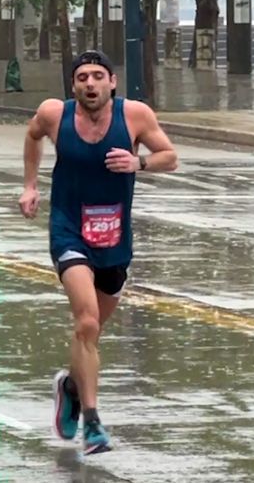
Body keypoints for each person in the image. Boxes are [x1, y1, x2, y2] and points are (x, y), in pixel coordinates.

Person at [18, 50, 178, 455]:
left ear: (112, 83)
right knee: (86, 321)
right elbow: (32, 134)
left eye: (97, 76)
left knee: (91, 333)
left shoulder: (135, 115)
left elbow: (170, 157)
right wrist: (31, 184)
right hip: (69, 230)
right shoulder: (55, 114)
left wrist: (138, 163)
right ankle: (92, 423)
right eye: (82, 77)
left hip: (114, 238)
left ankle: (70, 386)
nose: (90, 83)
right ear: (73, 86)